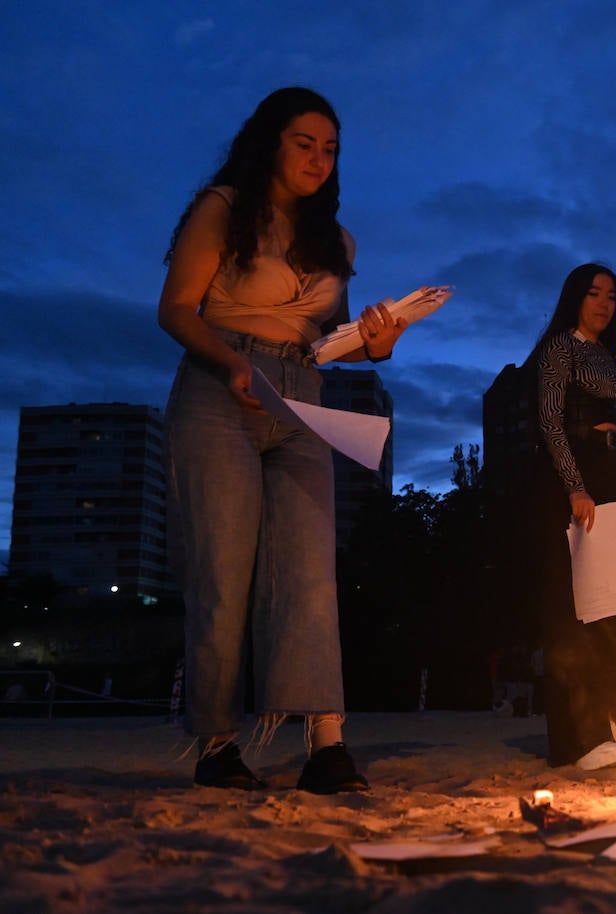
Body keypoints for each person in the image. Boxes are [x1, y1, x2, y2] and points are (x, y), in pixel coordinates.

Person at [159, 87, 402, 793]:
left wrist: (377, 344)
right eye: (305, 143)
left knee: (309, 574)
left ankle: (326, 743)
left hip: (304, 398)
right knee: (223, 570)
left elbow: (330, 344)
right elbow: (176, 309)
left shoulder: (338, 240)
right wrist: (232, 361)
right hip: (219, 387)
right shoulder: (225, 209)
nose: (319, 160)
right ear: (271, 141)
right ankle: (216, 743)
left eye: (330, 150)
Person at [525, 263, 616, 770]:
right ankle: (578, 738)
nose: (603, 303)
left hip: (607, 485)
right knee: (577, 613)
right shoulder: (560, 348)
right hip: (570, 484)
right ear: (575, 297)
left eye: (612, 296)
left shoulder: (609, 357)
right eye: (593, 293)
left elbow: (614, 437)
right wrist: (575, 488)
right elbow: (551, 423)